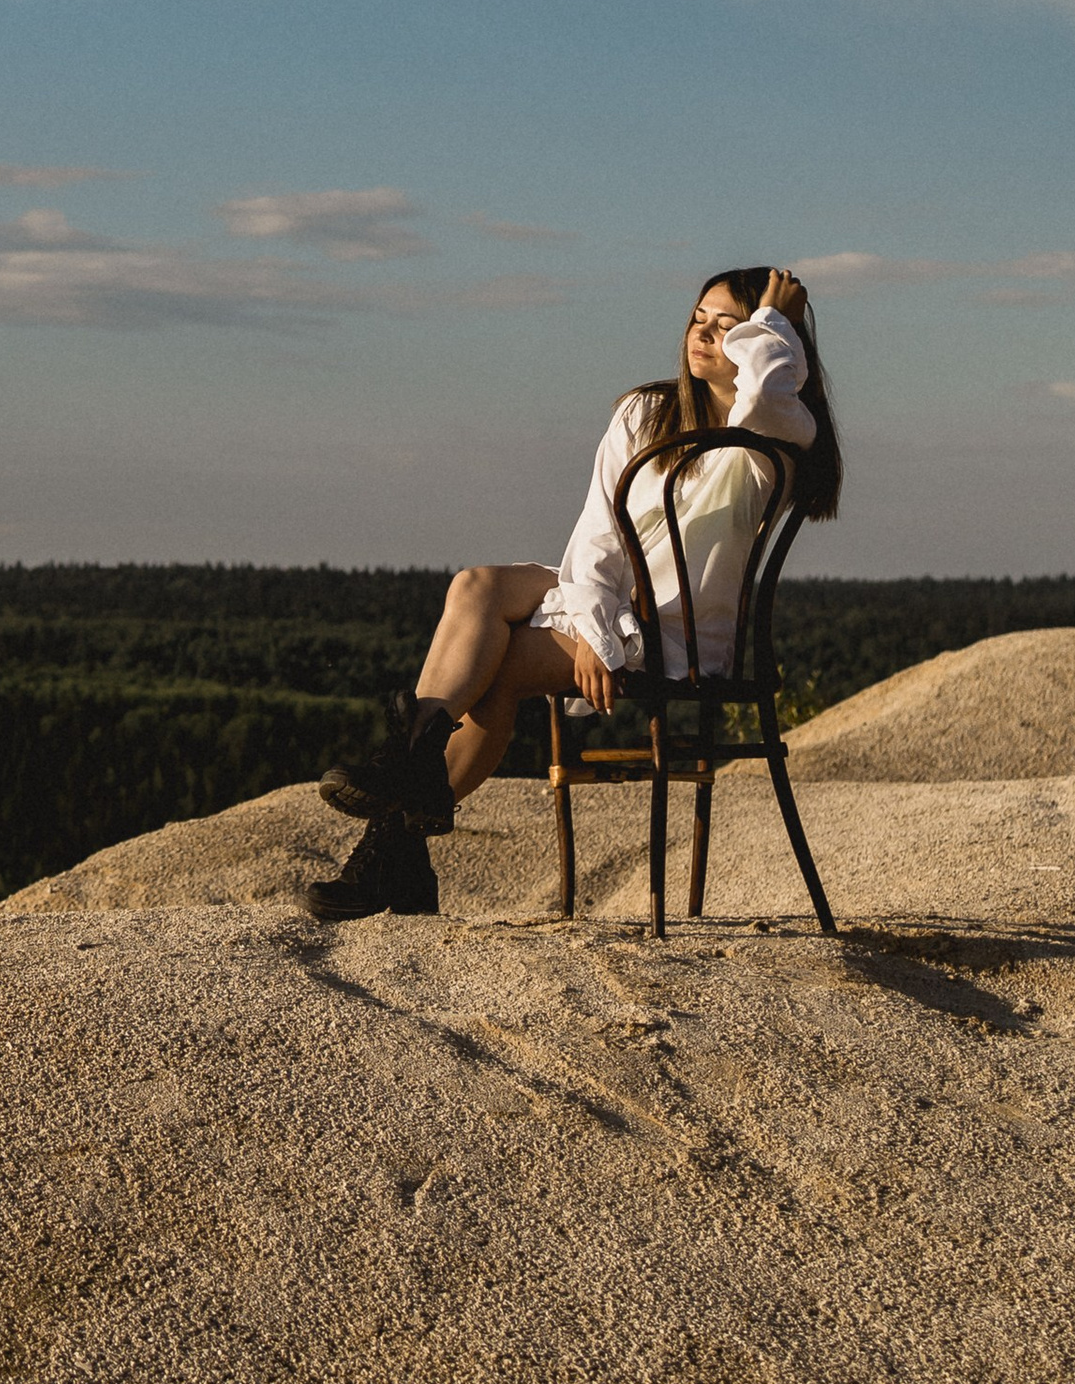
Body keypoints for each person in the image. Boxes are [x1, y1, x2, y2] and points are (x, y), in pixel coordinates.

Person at [307, 265, 842, 920]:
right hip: (608, 602)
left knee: (500, 668)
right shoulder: (648, 412)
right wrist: (592, 626)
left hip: (674, 636)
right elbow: (597, 538)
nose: (702, 335)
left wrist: (776, 320)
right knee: (475, 585)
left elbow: (761, 391)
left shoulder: (780, 432)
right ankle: (407, 774)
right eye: (697, 320)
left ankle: (388, 850)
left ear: (771, 340)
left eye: (727, 325)